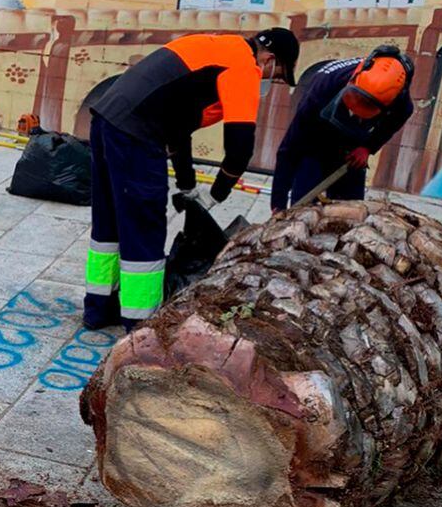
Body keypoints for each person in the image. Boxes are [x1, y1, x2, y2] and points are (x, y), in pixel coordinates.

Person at [84, 28, 300, 331]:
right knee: (144, 226)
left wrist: (187, 184)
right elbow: (240, 148)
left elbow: (177, 127)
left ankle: (98, 310)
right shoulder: (242, 66)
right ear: (269, 59)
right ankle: (139, 323)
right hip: (136, 135)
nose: (269, 80)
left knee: (108, 222)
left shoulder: (213, 46)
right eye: (276, 75)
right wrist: (218, 193)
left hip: (106, 120)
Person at [270, 46, 415, 212]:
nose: (357, 113)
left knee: (349, 211)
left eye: (365, 110)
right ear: (353, 81)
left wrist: (367, 147)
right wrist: (278, 205)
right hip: (316, 139)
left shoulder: (399, 99)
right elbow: (289, 149)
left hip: (352, 148)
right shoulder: (321, 90)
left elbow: (397, 119)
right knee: (302, 210)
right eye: (355, 103)